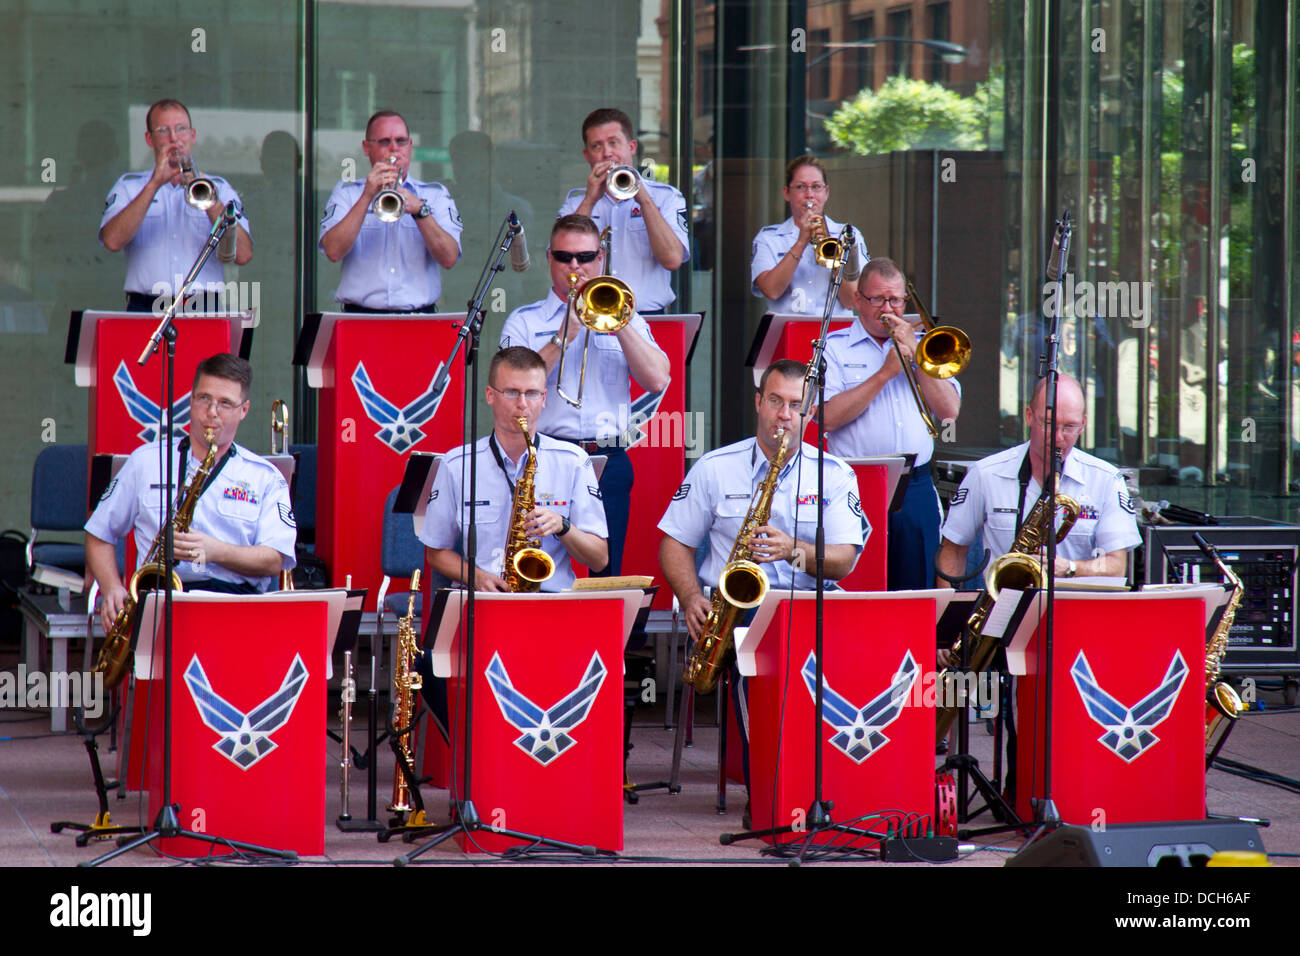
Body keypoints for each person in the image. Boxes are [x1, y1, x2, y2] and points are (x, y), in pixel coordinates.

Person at [658, 358, 868, 800]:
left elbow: (845, 560)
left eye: (796, 405)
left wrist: (795, 549)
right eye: (775, 401)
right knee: (763, 669)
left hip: (812, 606)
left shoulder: (834, 474)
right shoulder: (715, 468)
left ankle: (837, 784)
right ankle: (771, 790)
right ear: (759, 402)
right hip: (742, 614)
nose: (784, 415)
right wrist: (692, 596)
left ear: (809, 413)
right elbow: (674, 544)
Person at [500, 214, 670, 576]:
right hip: (543, 456)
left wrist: (619, 322)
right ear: (549, 258)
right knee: (534, 564)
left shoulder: (628, 316)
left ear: (601, 259)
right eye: (564, 257)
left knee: (607, 570)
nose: (575, 266)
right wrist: (563, 336)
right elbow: (512, 386)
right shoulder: (525, 322)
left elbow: (657, 379)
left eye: (585, 257)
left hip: (606, 455)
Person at [85, 354, 297, 632]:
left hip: (234, 607)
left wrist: (216, 551)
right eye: (203, 399)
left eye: (225, 403)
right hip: (159, 603)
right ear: (191, 400)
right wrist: (112, 587)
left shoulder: (264, 477)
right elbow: (99, 532)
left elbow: (274, 560)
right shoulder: (146, 461)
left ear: (243, 410)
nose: (212, 412)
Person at [419, 346, 609, 591]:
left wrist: (563, 526)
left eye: (531, 393)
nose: (522, 405)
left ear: (544, 398)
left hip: (550, 603)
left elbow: (599, 558)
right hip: (483, 601)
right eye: (511, 392)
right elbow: (436, 553)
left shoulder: (573, 461)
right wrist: (477, 577)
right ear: (490, 395)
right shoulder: (457, 464)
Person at [821, 257, 962, 590]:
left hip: (914, 485)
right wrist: (885, 373)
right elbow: (826, 417)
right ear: (858, 300)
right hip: (856, 484)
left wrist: (918, 359)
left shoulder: (926, 345)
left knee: (918, 590)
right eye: (877, 299)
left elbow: (949, 411)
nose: (888, 308)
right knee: (860, 589)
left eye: (895, 300)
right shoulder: (834, 349)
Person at [935, 372, 1141, 588]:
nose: (1058, 437)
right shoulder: (985, 473)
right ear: (1029, 416)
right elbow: (953, 550)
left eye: (1069, 427)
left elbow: (1116, 567)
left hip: (1075, 610)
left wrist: (1070, 568)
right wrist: (947, 615)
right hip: (1003, 608)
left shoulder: (1106, 479)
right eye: (1049, 423)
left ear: (1083, 424)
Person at [99, 99, 253, 312]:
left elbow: (243, 254)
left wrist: (209, 201)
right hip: (147, 305)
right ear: (149, 139)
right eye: (163, 130)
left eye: (181, 129)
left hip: (203, 307)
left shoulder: (220, 188)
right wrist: (154, 184)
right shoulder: (129, 186)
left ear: (193, 136)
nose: (174, 138)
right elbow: (112, 241)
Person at [319, 110, 462, 312]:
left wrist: (420, 211)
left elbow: (449, 258)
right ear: (367, 148)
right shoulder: (347, 193)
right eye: (385, 142)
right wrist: (367, 196)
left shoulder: (435, 195)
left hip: (419, 320)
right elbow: (333, 251)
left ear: (410, 147)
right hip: (361, 320)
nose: (394, 149)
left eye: (401, 141)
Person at [556, 108, 689, 314]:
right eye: (596, 146)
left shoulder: (666, 197)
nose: (607, 152)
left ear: (632, 146)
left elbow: (672, 259)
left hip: (647, 317)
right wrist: (590, 200)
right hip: (590, 317)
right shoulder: (575, 204)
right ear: (587, 155)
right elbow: (561, 262)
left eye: (614, 142)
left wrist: (643, 199)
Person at [751, 156, 868, 316]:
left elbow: (850, 301)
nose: (809, 194)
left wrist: (835, 260)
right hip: (787, 330)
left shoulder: (849, 236)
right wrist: (801, 243)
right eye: (800, 187)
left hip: (835, 334)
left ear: (826, 192)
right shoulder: (768, 238)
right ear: (786, 193)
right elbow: (771, 291)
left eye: (816, 187)